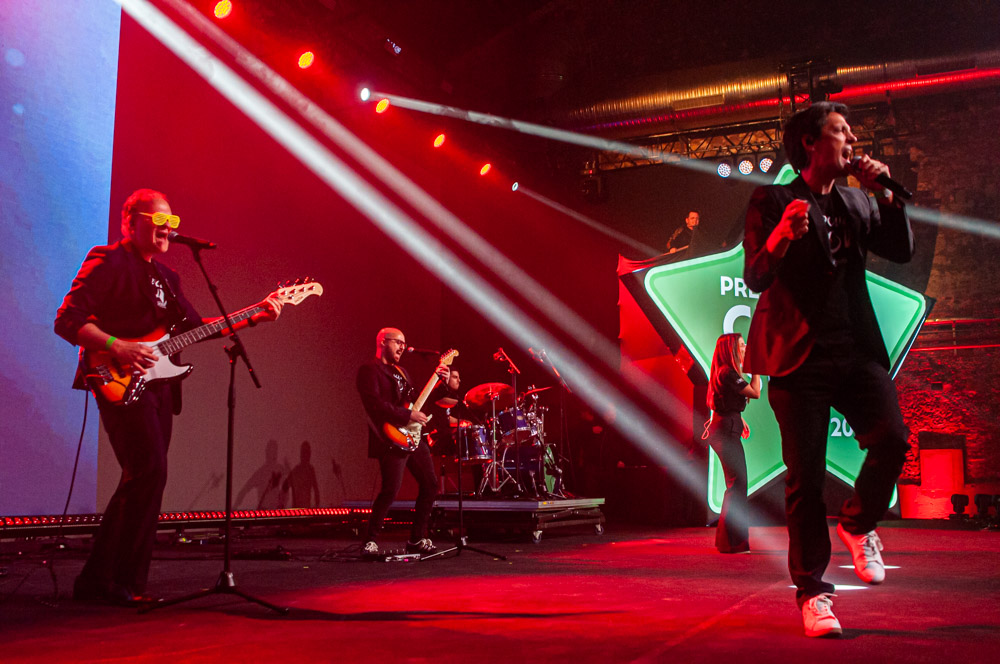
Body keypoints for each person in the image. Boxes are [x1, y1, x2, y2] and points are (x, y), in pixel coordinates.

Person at [54, 188, 281, 605]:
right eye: (158, 220)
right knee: (148, 470)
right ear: (130, 222)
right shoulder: (107, 260)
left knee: (149, 476)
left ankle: (118, 581)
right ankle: (106, 581)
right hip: (116, 377)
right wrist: (118, 346)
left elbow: (197, 328)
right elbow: (67, 319)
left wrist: (254, 316)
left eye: (172, 221)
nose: (167, 228)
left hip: (159, 387)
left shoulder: (167, 278)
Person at [742, 102, 914, 637]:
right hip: (800, 357)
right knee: (806, 480)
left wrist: (886, 194)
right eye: (841, 131)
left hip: (854, 348)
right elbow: (755, 275)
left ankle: (859, 524)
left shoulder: (858, 200)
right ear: (811, 142)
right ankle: (813, 594)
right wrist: (780, 237)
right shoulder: (773, 200)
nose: (852, 139)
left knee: (892, 439)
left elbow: (901, 249)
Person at [357, 327, 449, 556]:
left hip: (412, 436)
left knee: (430, 484)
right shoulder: (369, 370)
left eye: (404, 343)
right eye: (398, 342)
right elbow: (374, 404)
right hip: (390, 436)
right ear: (383, 342)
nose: (402, 347)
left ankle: (417, 538)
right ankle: (370, 541)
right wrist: (408, 415)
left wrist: (440, 384)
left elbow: (418, 402)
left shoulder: (403, 372)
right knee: (390, 490)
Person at [703, 333, 761, 554]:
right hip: (725, 432)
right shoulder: (727, 372)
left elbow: (724, 402)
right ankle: (731, 542)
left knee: (737, 484)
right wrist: (756, 368)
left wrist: (739, 419)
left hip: (727, 428)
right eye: (741, 345)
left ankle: (730, 541)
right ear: (731, 349)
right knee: (737, 484)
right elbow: (755, 393)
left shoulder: (726, 373)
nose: (745, 347)